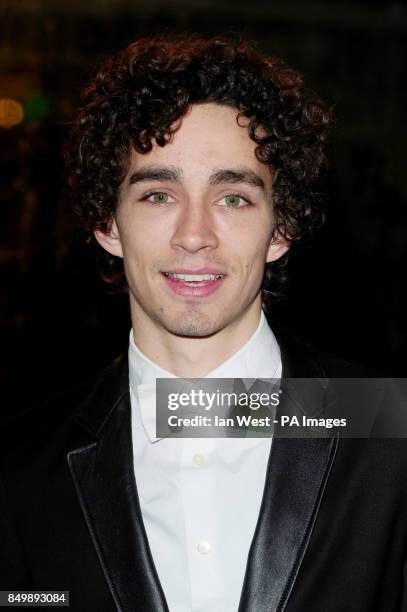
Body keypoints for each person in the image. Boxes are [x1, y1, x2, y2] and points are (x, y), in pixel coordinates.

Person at [1, 36, 406, 612]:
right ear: (107, 224)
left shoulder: (392, 434)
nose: (195, 235)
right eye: (159, 194)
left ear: (282, 227)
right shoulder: (19, 472)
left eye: (234, 198)